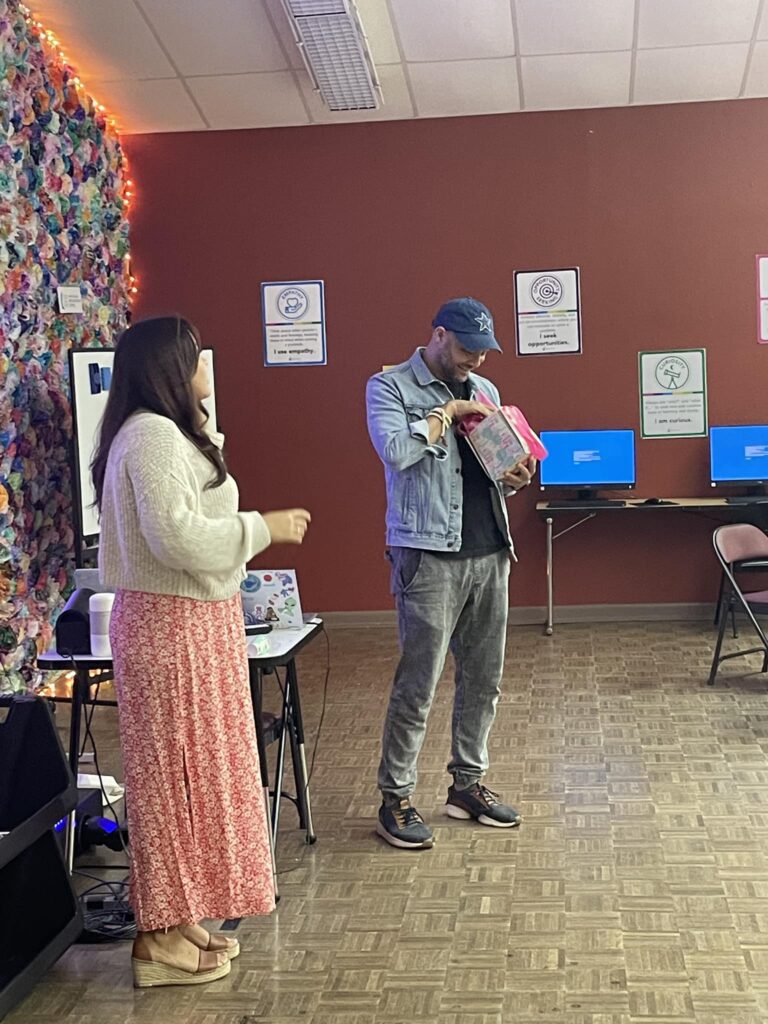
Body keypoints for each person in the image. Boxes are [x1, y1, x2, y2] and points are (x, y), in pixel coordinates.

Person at [92, 316, 311, 986]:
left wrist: (203, 423)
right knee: (174, 782)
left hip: (191, 625)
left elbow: (195, 502)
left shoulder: (163, 431)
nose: (207, 367)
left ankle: (179, 916)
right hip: (171, 628)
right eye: (196, 359)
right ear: (170, 370)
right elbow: (178, 537)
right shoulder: (150, 435)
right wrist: (261, 529)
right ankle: (156, 940)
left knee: (192, 777)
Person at [365, 297, 536, 850]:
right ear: (439, 335)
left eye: (485, 352)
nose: (477, 362)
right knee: (419, 682)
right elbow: (394, 451)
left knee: (484, 680)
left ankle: (468, 784)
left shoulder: (485, 391)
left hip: (490, 547)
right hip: (427, 555)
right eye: (467, 350)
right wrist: (444, 415)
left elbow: (493, 466)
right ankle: (395, 798)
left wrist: (514, 475)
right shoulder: (388, 386)